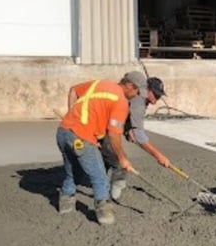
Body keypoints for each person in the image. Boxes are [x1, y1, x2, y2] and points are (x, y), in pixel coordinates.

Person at [57, 77, 140, 225]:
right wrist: (122, 158)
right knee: (99, 176)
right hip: (81, 138)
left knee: (73, 171)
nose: (136, 96)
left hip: (63, 132)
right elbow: (114, 134)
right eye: (137, 92)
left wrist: (73, 115)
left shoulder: (100, 84)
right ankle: (104, 214)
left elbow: (73, 90)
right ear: (129, 86)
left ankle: (66, 204)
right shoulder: (121, 101)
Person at [99, 71, 173, 200]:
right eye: (155, 94)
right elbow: (139, 135)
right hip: (102, 126)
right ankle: (108, 189)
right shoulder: (139, 99)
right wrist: (158, 155)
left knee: (106, 156)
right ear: (146, 90)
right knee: (118, 158)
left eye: (159, 96)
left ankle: (102, 186)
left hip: (107, 125)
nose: (157, 99)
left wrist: (128, 129)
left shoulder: (141, 100)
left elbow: (127, 113)